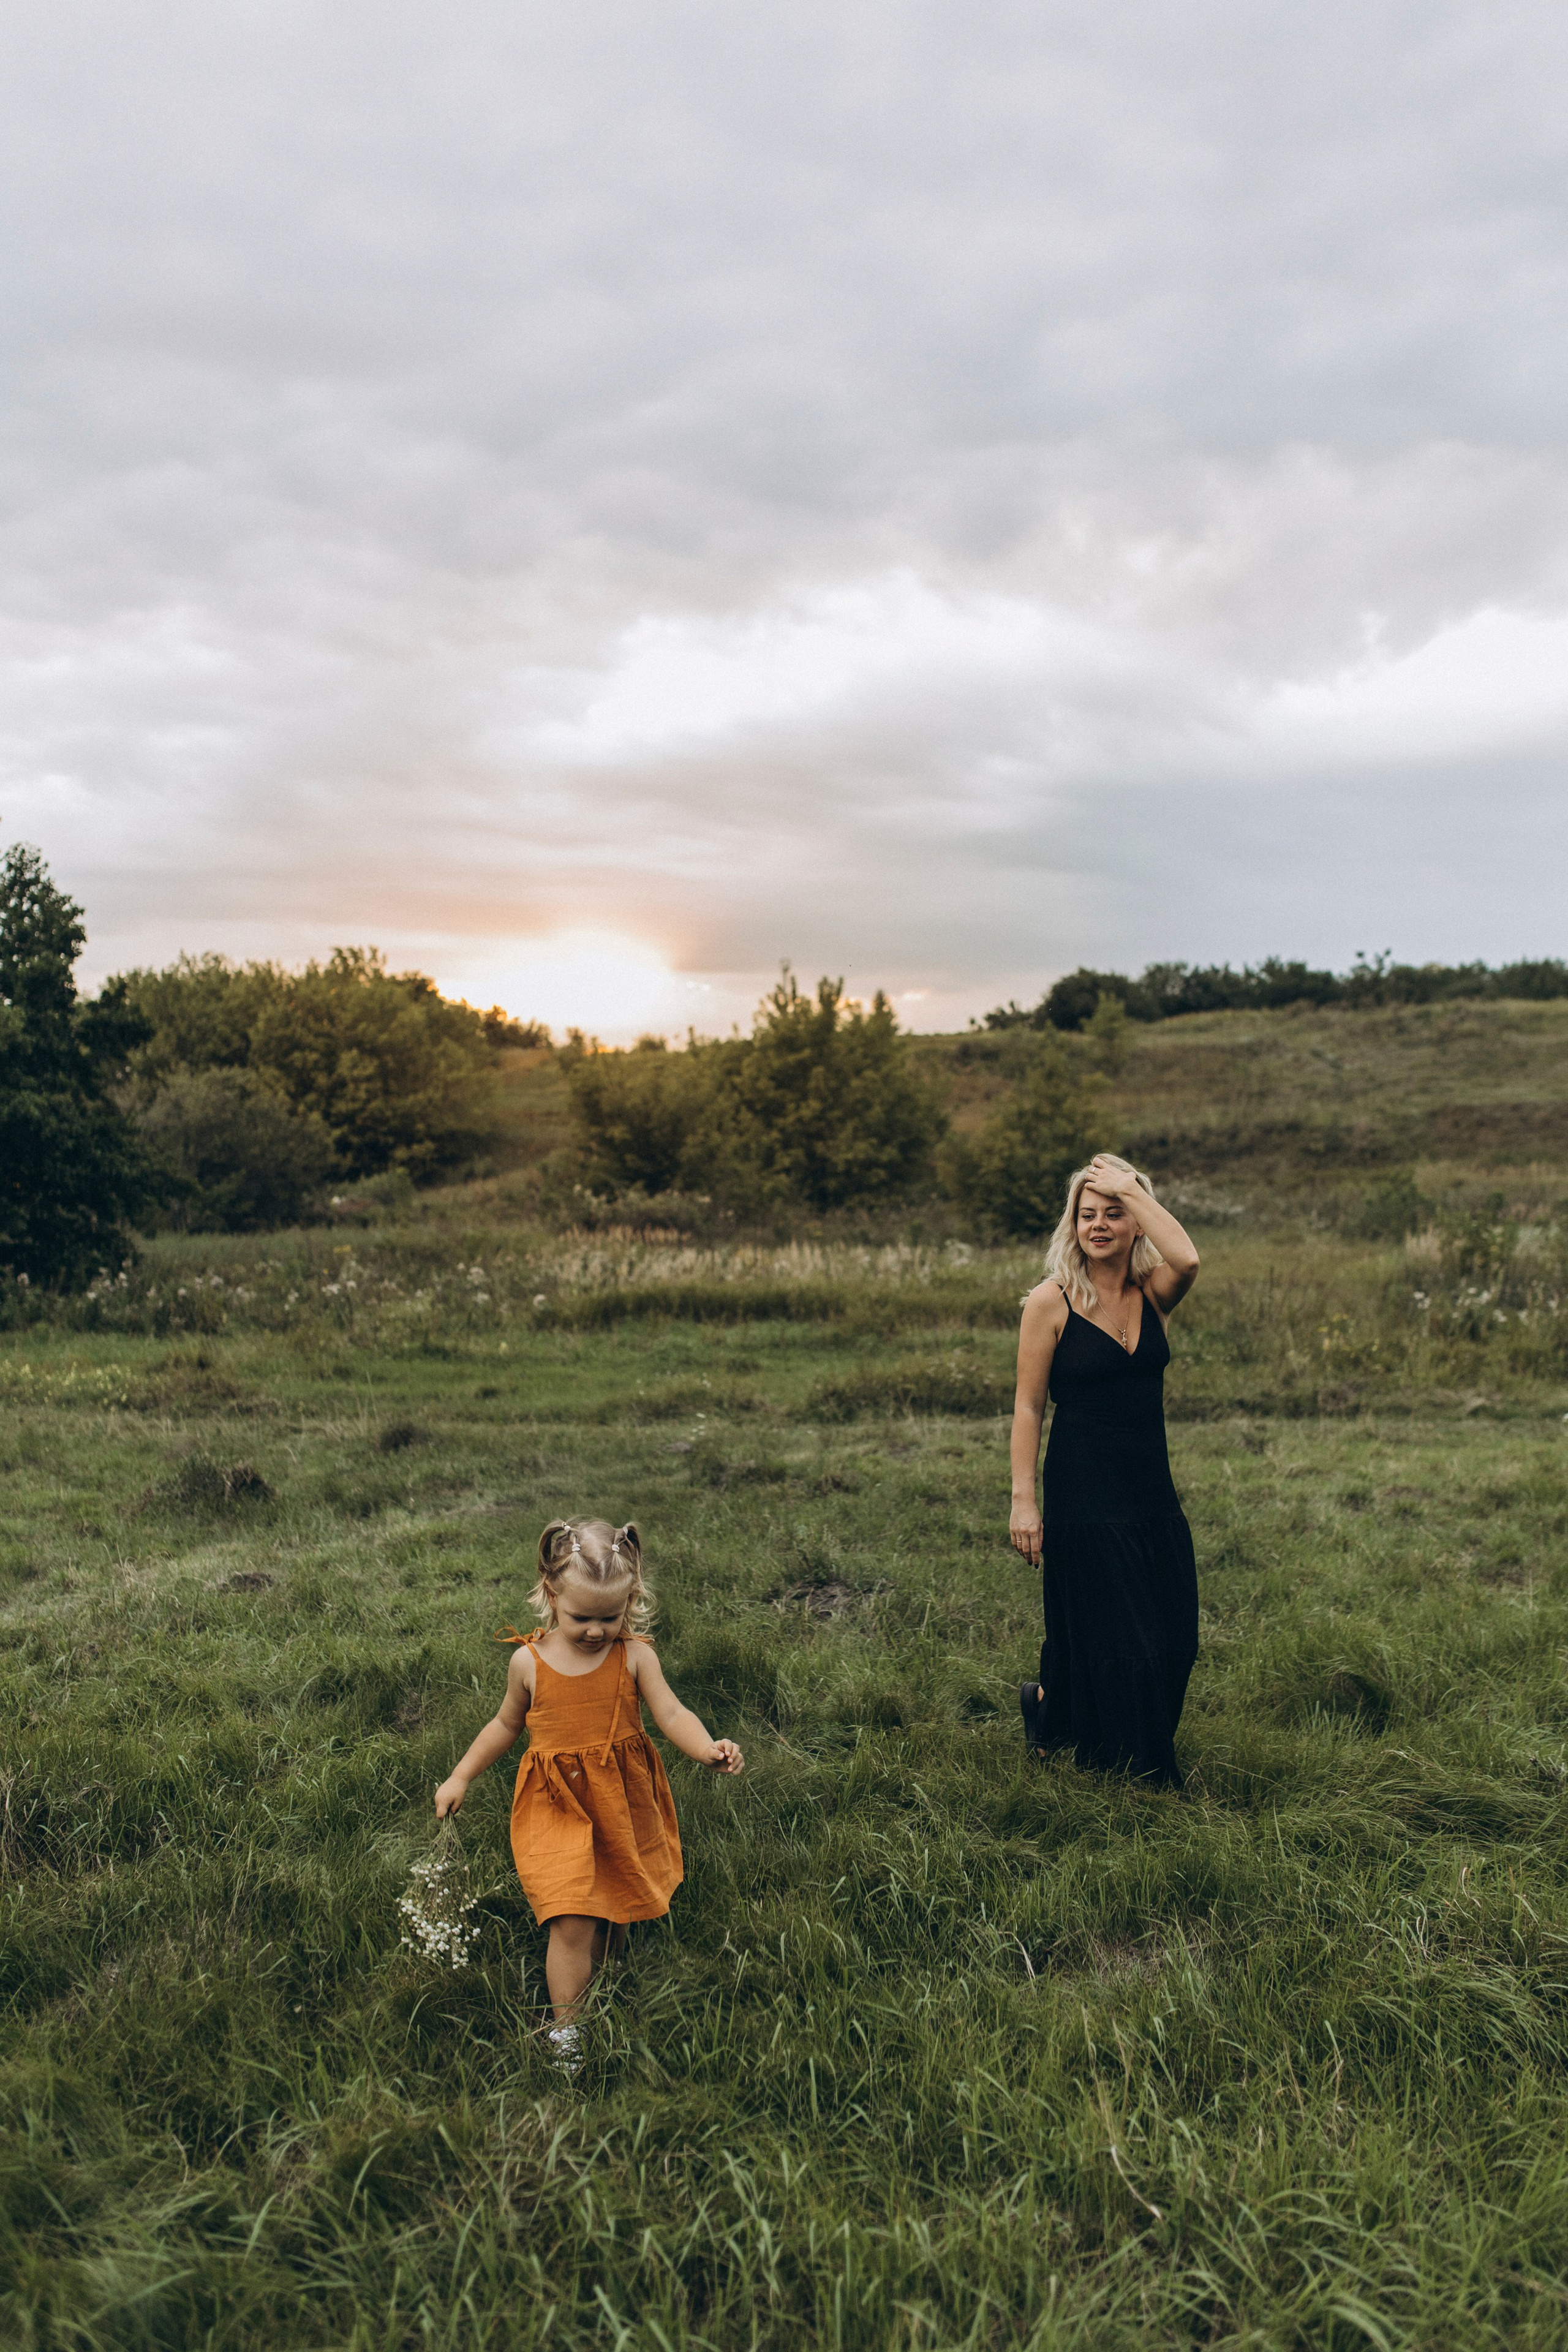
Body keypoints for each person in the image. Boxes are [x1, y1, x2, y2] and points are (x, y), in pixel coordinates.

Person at [435, 1517, 744, 2065]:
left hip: (620, 1797)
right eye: (582, 1617)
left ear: (632, 1599)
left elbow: (671, 1711)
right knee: (572, 1915)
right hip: (554, 1804)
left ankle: (605, 1974)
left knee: (611, 1902)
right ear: (551, 1596)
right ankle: (567, 2030)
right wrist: (461, 1775)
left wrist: (705, 1748)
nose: (598, 1631)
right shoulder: (528, 1664)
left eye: (612, 1615)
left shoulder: (635, 1656)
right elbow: (505, 1726)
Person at [1009, 1153, 1201, 1786]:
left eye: (1113, 1213)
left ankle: (1047, 1709)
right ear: (1073, 1225)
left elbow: (1189, 1258)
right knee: (1119, 1637)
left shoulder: (1154, 1293)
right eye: (1086, 1214)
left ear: (1136, 1222)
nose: (1098, 1224)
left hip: (1150, 1488)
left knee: (1174, 1638)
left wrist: (1128, 1186)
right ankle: (1138, 1771)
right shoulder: (1051, 1301)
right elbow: (1028, 1406)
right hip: (1082, 1490)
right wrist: (1023, 1501)